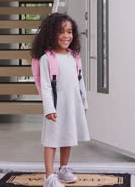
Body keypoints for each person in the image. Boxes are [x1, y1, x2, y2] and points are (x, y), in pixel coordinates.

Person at [31, 13, 90, 187]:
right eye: (61, 32)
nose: (66, 36)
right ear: (51, 34)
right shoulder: (46, 58)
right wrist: (49, 108)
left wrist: (84, 102)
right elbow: (46, 86)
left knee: (68, 135)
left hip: (73, 104)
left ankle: (63, 169)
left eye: (69, 31)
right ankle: (49, 177)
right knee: (52, 139)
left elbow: (80, 81)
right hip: (56, 106)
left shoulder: (74, 56)